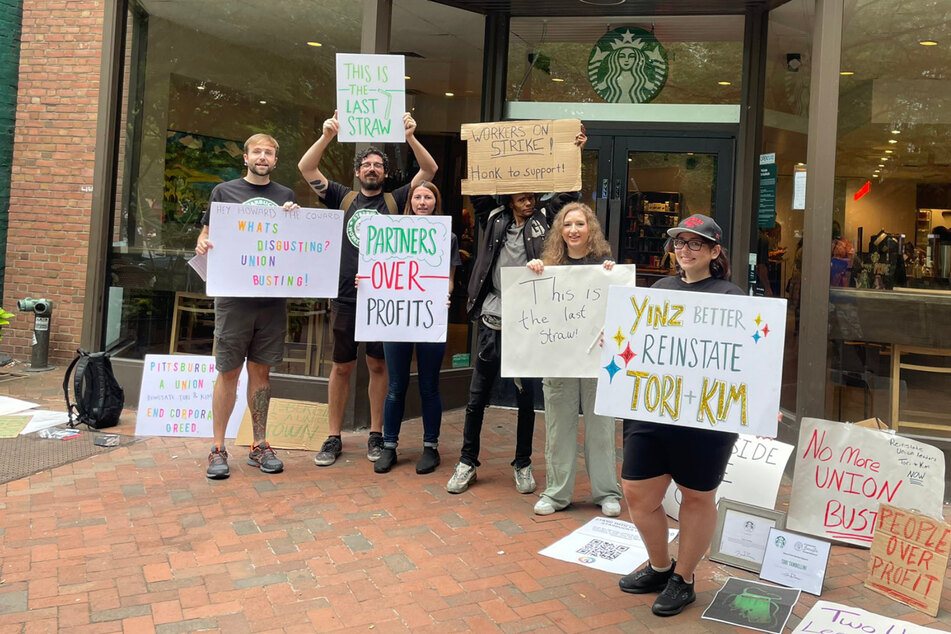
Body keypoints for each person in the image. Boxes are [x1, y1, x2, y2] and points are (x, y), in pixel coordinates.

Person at [445, 123, 588, 495]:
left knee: (526, 396)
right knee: (478, 396)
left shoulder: (544, 218)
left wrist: (575, 151)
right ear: (509, 199)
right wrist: (477, 152)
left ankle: (522, 463)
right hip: (493, 316)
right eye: (522, 197)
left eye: (532, 196)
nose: (528, 201)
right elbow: (476, 190)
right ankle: (467, 461)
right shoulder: (493, 219)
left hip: (529, 322)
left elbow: (569, 189)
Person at [617, 214, 742, 617]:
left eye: (695, 243)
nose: (684, 250)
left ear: (714, 252)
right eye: (679, 243)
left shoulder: (732, 296)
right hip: (653, 410)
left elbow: (746, 357)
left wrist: (758, 397)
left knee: (697, 496)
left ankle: (683, 577)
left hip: (705, 417)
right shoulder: (659, 288)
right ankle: (658, 566)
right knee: (636, 492)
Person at [298, 111, 437, 467]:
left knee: (378, 366)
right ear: (358, 171)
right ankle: (334, 437)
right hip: (345, 296)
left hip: (382, 298)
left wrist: (409, 136)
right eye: (367, 165)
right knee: (341, 366)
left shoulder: (396, 201)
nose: (372, 169)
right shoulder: (342, 198)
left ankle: (376, 434)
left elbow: (430, 171)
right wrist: (328, 134)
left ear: (385, 173)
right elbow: (307, 168)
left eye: (378, 165)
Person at [195, 133, 300, 480]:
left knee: (262, 373)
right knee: (228, 372)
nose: (263, 156)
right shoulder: (224, 193)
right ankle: (217, 448)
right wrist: (203, 244)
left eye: (269, 152)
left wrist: (295, 220)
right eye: (257, 151)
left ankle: (259, 444)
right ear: (245, 158)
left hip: (271, 300)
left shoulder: (285, 197)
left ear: (275, 160)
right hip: (234, 299)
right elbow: (205, 237)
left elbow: (294, 245)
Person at [525, 202, 623, 517]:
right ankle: (556, 494)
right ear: (560, 231)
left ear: (590, 228)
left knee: (601, 427)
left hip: (598, 360)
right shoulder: (548, 265)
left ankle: (607, 493)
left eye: (580, 224)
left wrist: (614, 277)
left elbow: (620, 311)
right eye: (568, 225)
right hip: (559, 358)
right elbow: (533, 307)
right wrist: (532, 275)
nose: (574, 230)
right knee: (558, 427)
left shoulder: (605, 265)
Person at [370, 182, 461, 475]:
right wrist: (367, 283)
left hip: (429, 316)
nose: (423, 202)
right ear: (410, 201)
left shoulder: (448, 237)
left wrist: (444, 292)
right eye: (418, 197)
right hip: (397, 319)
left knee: (429, 385)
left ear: (436, 201)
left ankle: (430, 447)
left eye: (429, 197)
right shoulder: (391, 234)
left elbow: (448, 277)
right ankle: (389, 446)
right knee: (395, 386)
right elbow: (378, 270)